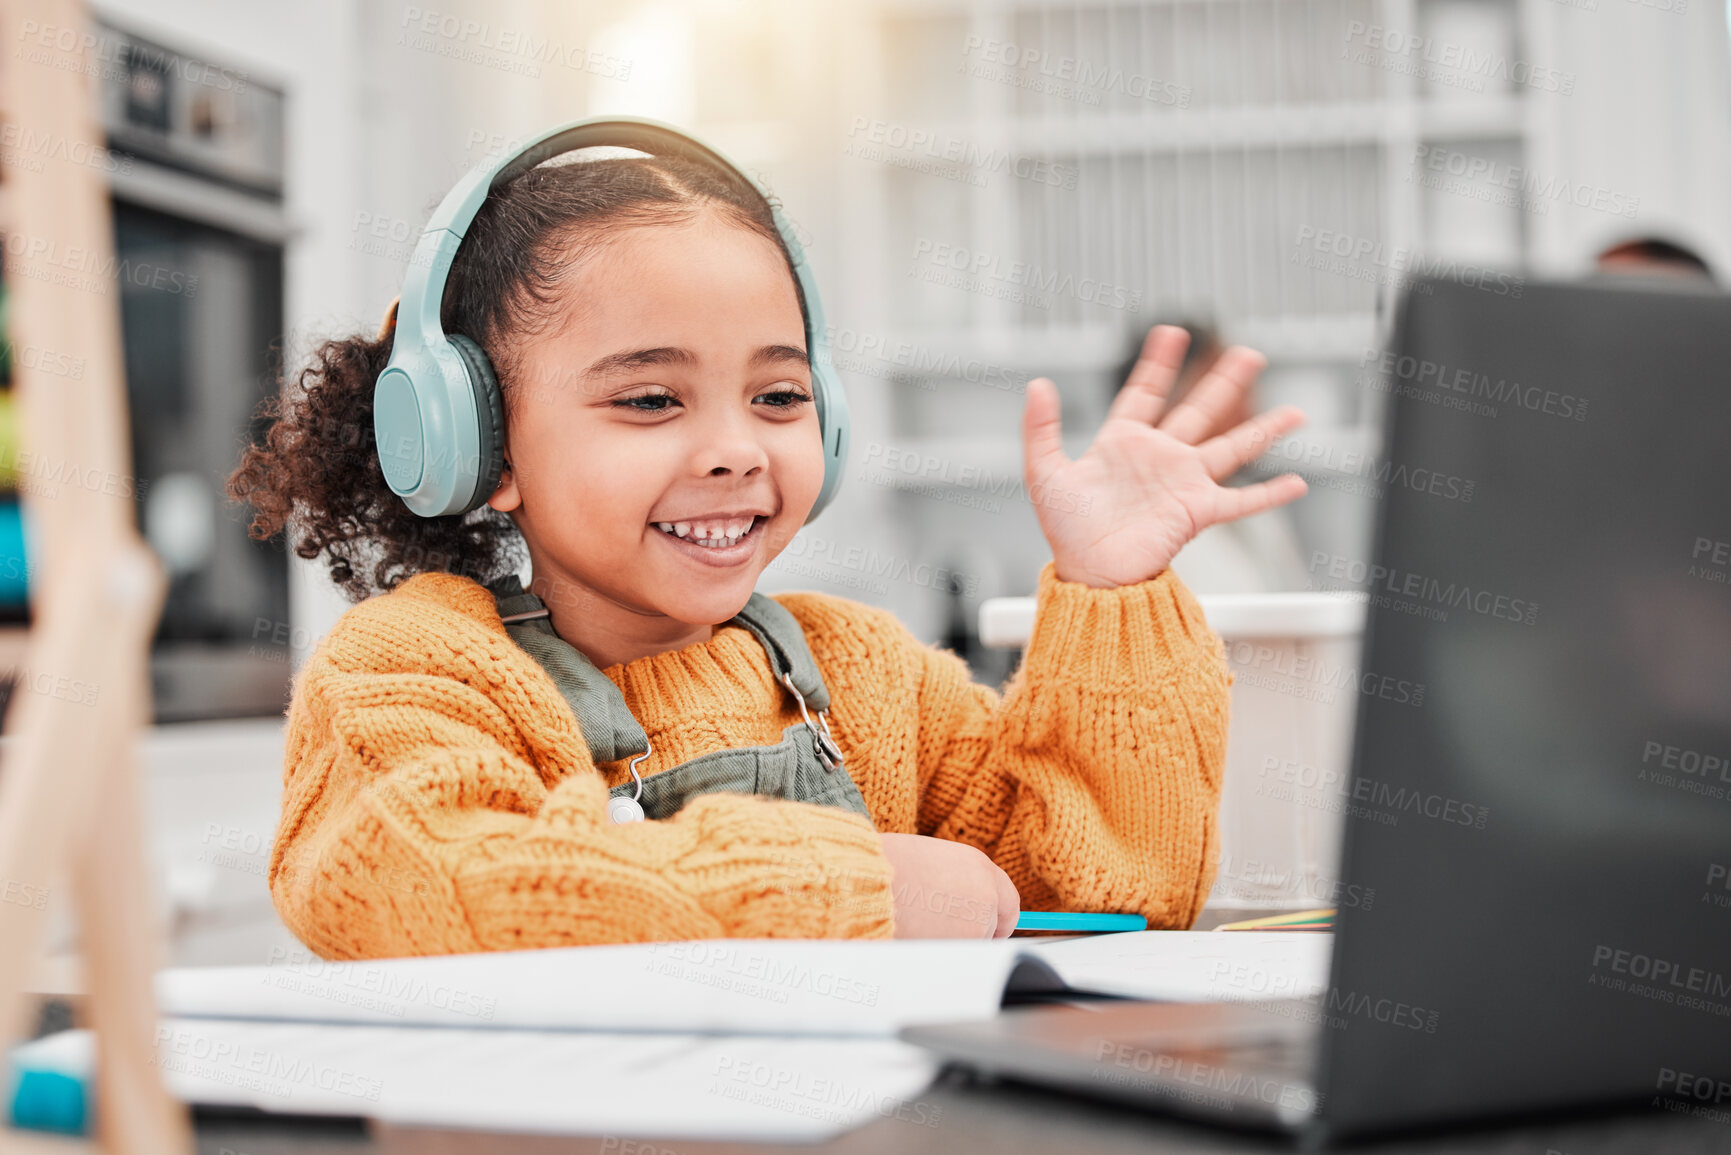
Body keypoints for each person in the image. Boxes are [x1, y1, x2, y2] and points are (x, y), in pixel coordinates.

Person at [227, 143, 1308, 960]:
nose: (737, 450)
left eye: (779, 396)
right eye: (652, 398)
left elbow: (1115, 889)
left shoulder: (866, 676)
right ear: (479, 441)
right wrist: (854, 888)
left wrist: (1111, 590)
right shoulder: (414, 672)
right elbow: (439, 885)